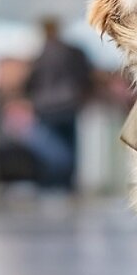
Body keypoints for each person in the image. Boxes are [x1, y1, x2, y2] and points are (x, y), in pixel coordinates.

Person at [24, 17, 94, 191]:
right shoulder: (73, 51)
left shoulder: (39, 56)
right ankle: (66, 185)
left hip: (45, 108)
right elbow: (85, 75)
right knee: (69, 147)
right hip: (69, 105)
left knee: (49, 148)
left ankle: (50, 184)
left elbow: (29, 83)